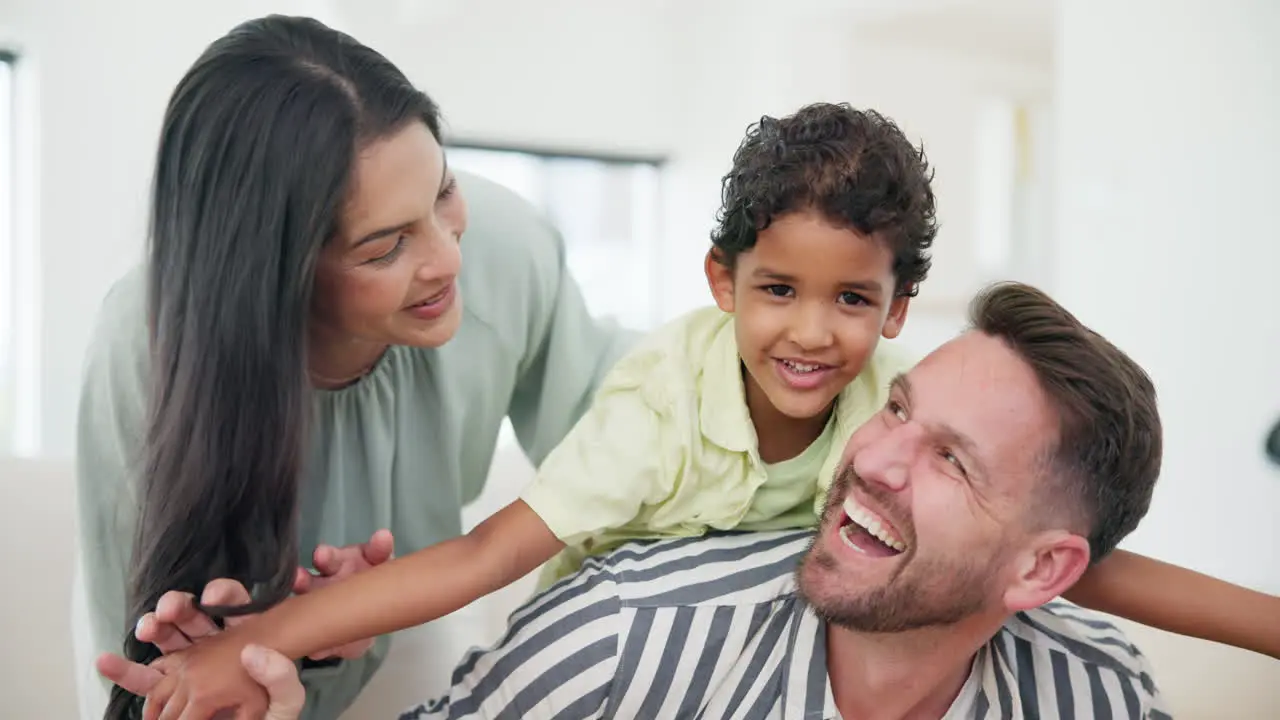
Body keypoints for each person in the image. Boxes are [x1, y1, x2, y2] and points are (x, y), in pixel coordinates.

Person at [114, 89, 1280, 716]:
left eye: (850, 301)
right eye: (776, 291)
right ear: (720, 282)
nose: (812, 334)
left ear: (896, 308)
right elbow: (480, 559)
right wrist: (258, 640)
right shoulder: (657, 415)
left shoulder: (889, 406)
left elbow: (1055, 553)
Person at [105, 281, 1177, 719]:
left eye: (950, 461)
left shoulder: (1098, 695)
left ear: (1042, 571)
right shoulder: (628, 635)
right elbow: (481, 557)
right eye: (895, 409)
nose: (877, 457)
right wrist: (272, 664)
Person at [73, 14, 633, 720]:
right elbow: (135, 667)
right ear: (277, 275)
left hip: (404, 641)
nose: (449, 258)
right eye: (383, 249)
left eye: (442, 193)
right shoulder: (142, 346)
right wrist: (268, 643)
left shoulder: (502, 250)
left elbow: (642, 427)